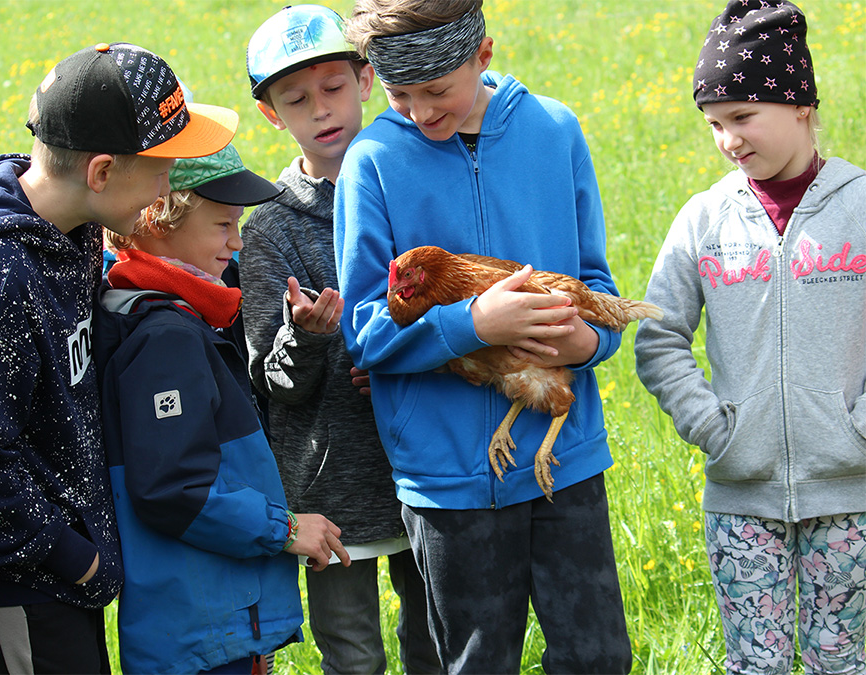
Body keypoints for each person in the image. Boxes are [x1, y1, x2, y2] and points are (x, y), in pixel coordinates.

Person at [334, 1, 633, 672]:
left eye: (436, 90)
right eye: (398, 92)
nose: (417, 110)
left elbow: (595, 283)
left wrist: (587, 345)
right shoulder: (373, 161)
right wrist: (473, 324)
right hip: (448, 480)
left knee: (599, 656)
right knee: (474, 660)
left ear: (484, 55)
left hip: (567, 461)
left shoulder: (554, 131)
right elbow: (365, 332)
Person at [0, 42, 238, 675]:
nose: (171, 182)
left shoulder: (75, 228)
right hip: (22, 592)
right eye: (164, 165)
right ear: (102, 173)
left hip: (67, 578)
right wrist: (77, 559)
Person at [634, 1, 866, 672]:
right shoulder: (705, 219)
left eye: (742, 117)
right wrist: (715, 426)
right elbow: (659, 334)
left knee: (840, 661)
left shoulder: (858, 208)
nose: (728, 139)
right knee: (755, 664)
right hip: (741, 497)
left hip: (851, 494)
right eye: (714, 123)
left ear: (800, 105)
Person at [94, 144, 351, 675]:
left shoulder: (182, 316)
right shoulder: (165, 337)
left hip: (213, 620)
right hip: (204, 628)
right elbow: (172, 489)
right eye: (222, 225)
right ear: (157, 217)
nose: (237, 243)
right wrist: (283, 529)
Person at [243, 6, 439, 673]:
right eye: (296, 100)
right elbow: (273, 382)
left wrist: (391, 361)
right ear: (273, 115)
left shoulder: (412, 182)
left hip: (424, 462)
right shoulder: (270, 226)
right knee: (352, 654)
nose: (320, 110)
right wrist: (306, 339)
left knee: (436, 640)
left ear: (365, 79)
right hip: (328, 488)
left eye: (332, 88)